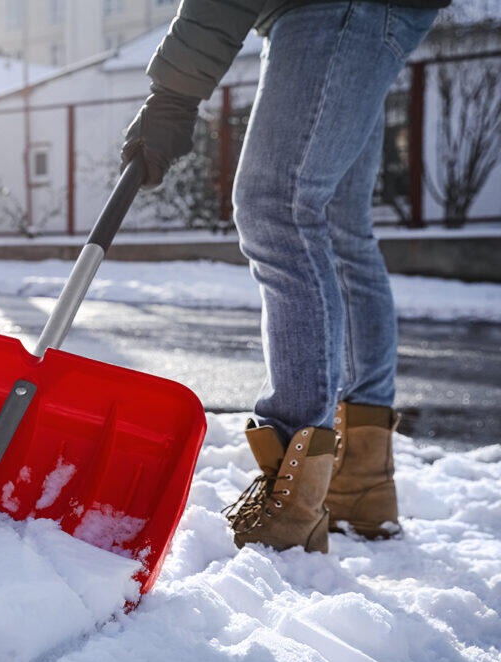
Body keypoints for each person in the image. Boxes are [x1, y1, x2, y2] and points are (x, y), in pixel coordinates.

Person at [122, 0, 445, 552]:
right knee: (339, 229)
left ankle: (291, 496)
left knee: (278, 205)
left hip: (336, 9)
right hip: (372, 12)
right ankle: (360, 484)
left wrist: (174, 94)